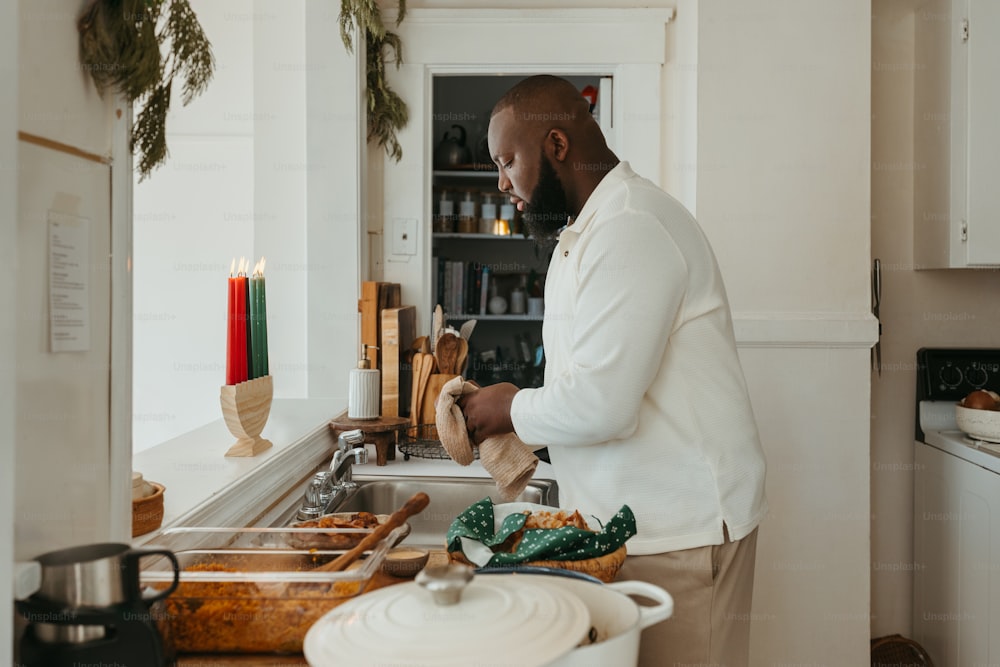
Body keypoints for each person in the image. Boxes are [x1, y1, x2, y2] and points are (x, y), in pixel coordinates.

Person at [458, 74, 768, 667]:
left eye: (506, 161)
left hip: (683, 530)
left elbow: (603, 403)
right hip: (636, 527)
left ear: (555, 145)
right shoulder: (590, 232)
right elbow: (591, 383)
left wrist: (507, 407)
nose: (500, 183)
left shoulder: (632, 227)